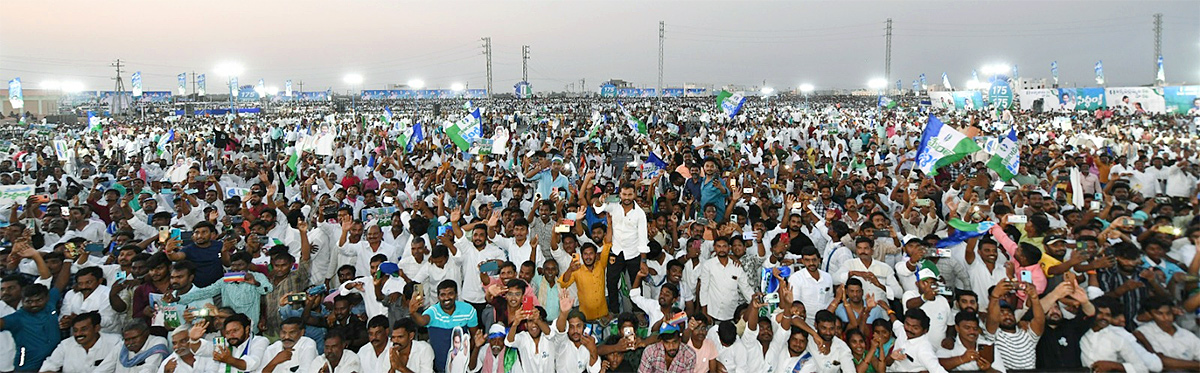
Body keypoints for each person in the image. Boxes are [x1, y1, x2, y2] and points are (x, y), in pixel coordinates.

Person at [409, 280, 478, 372]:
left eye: (450, 294)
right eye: (443, 295)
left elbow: (475, 336)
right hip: (439, 364)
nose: (446, 298)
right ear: (438, 297)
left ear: (456, 294)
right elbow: (422, 321)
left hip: (462, 365)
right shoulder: (433, 311)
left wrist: (467, 357)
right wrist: (413, 313)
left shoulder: (468, 310)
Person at [1080, 297, 1152, 373]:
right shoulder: (1080, 333)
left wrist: (1114, 365)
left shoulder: (1117, 338)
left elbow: (1142, 368)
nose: (1104, 318)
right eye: (1100, 313)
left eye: (1108, 315)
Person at [39, 311, 122, 373]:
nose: (78, 334)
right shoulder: (66, 345)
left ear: (96, 328)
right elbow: (48, 367)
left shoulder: (115, 342)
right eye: (75, 330)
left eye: (84, 329)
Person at [185, 314, 271, 373]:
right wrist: (194, 340)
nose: (231, 335)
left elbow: (252, 364)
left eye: (235, 331)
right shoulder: (225, 342)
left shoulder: (259, 341)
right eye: (228, 332)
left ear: (247, 329)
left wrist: (228, 360)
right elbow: (202, 349)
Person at [1133, 297, 1200, 371]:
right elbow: (1161, 362)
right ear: (1149, 314)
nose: (1166, 318)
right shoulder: (1143, 332)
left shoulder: (1187, 334)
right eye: (1159, 314)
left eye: (1168, 313)